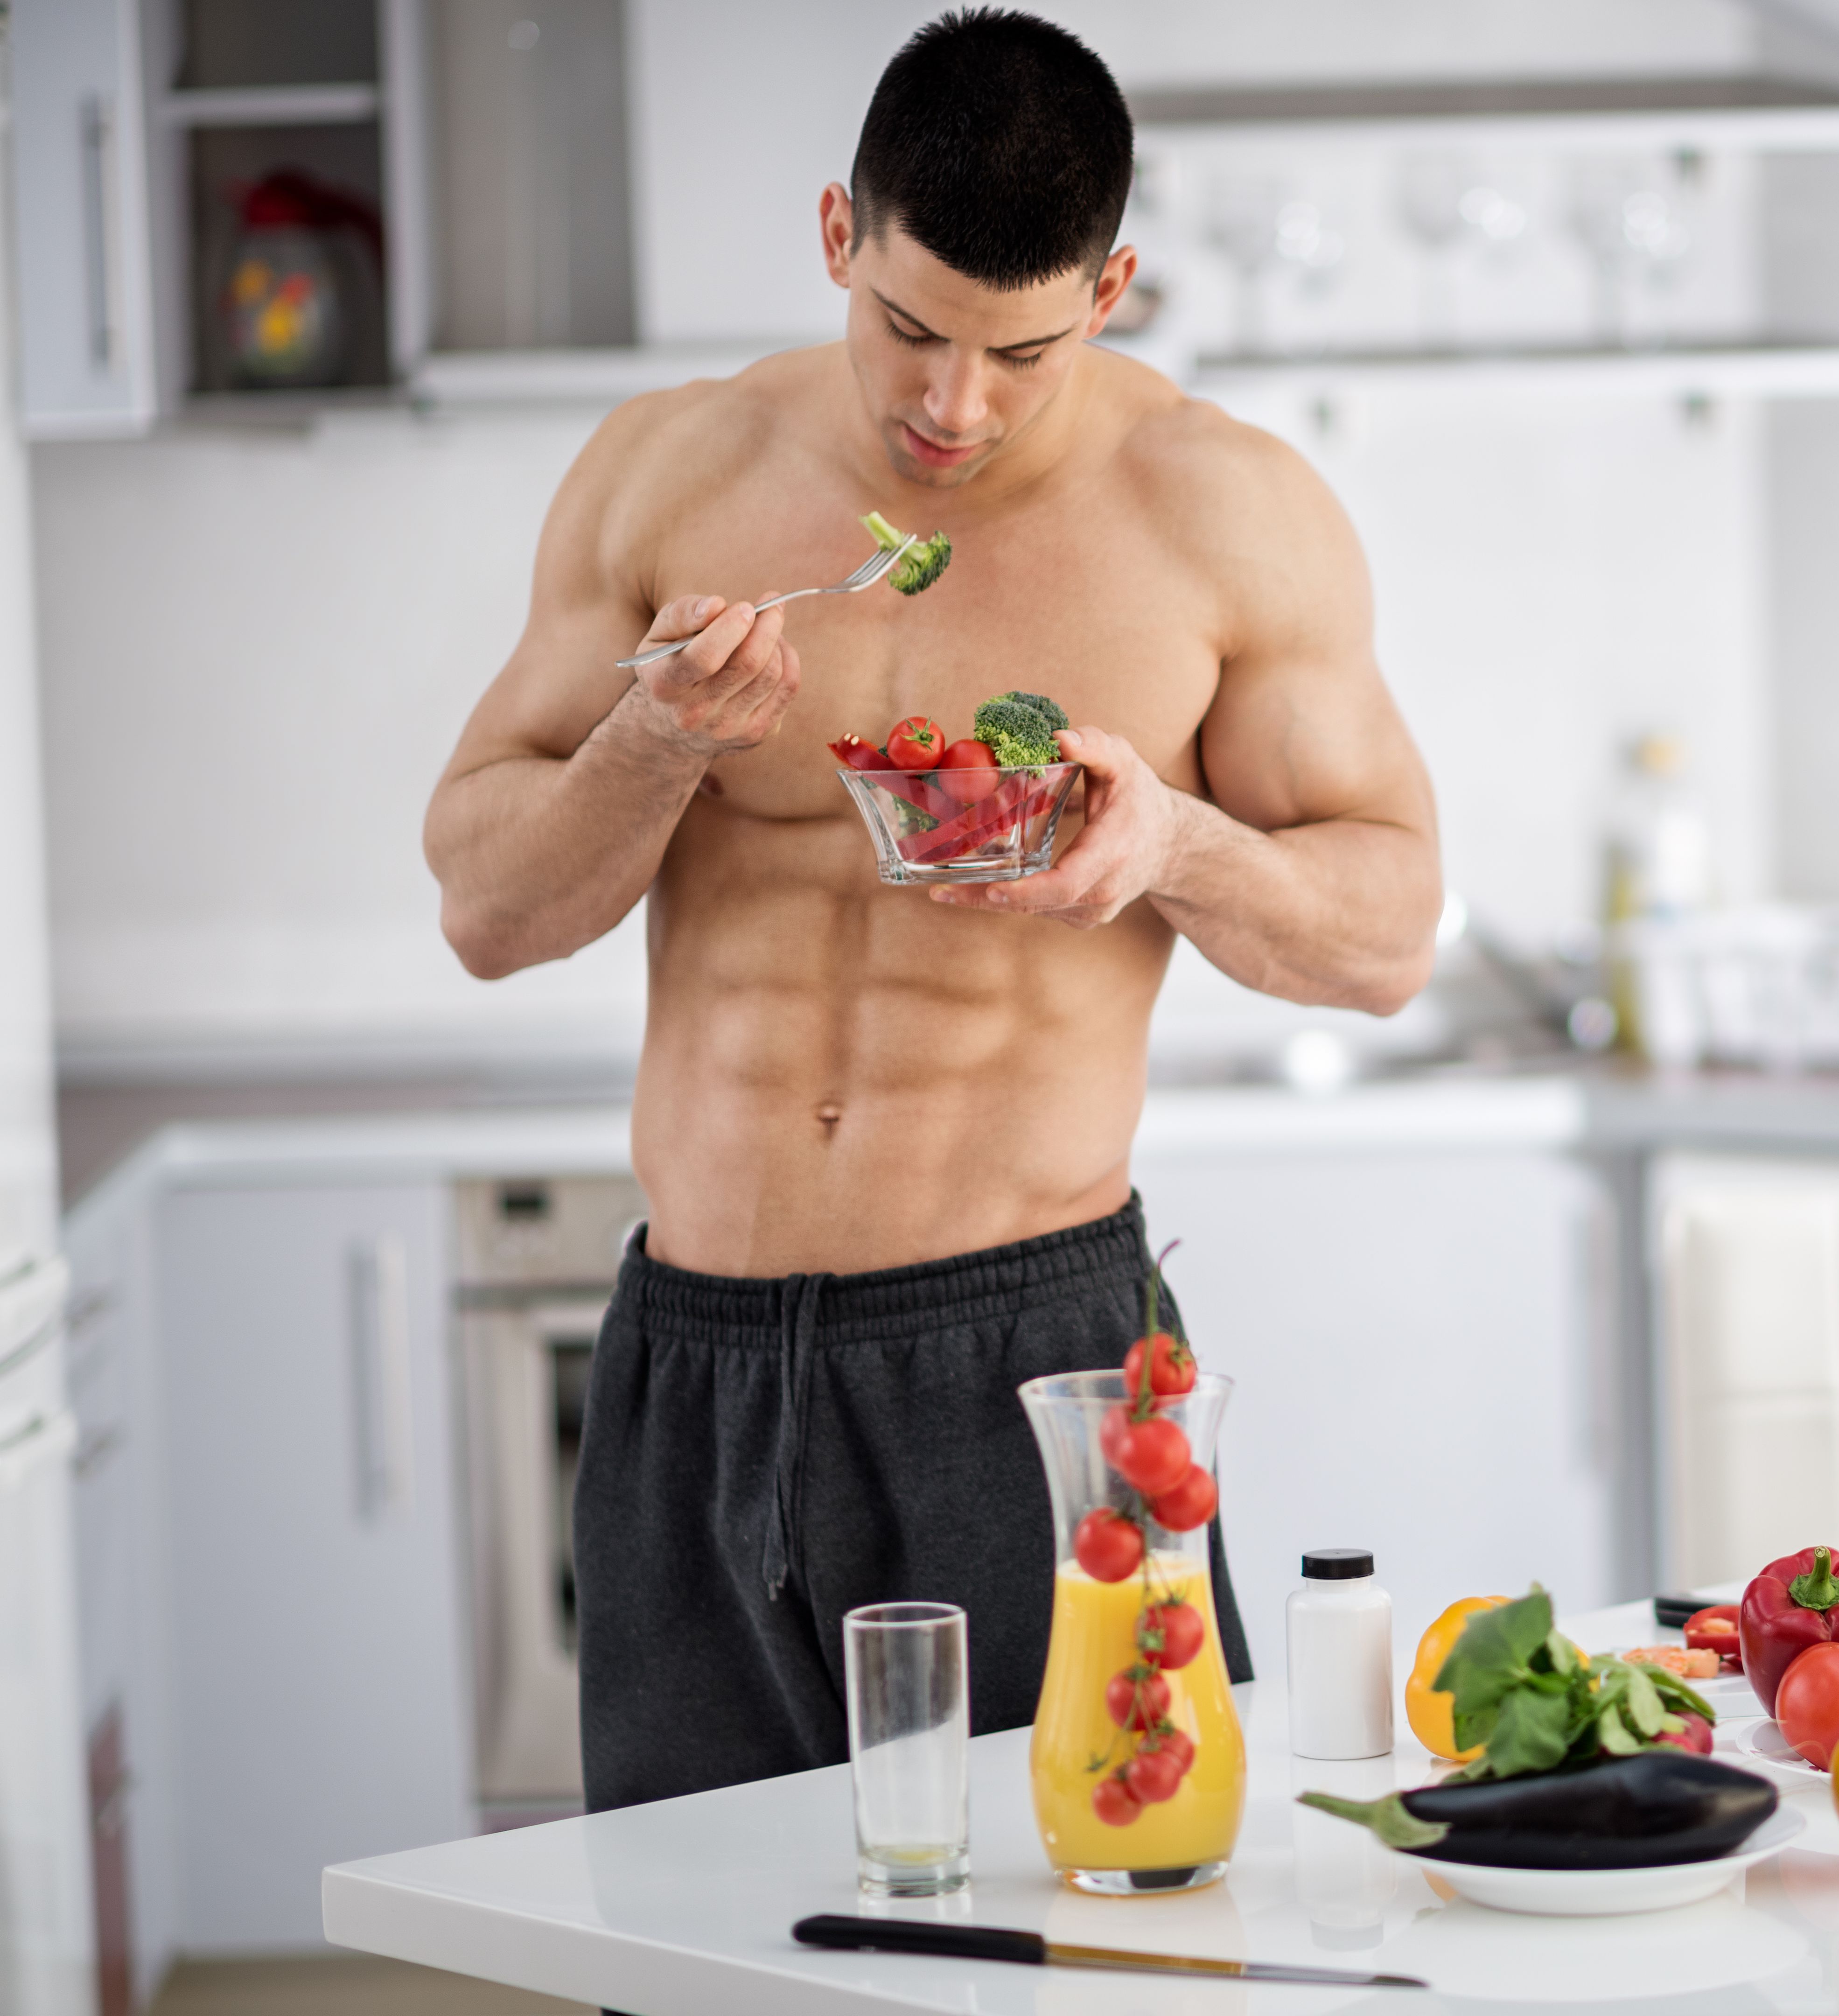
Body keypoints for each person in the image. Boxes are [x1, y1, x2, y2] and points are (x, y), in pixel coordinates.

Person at [423, 8, 1440, 1811]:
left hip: (1034, 1362)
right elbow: (488, 912)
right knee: (692, 1945)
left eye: (1019, 351)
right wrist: (655, 741)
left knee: (1105, 1934)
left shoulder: (1226, 517)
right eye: (907, 326)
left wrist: (1180, 848)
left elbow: (1385, 937)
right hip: (698, 1363)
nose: (950, 403)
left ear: (1114, 287)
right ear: (838, 235)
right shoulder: (672, 473)